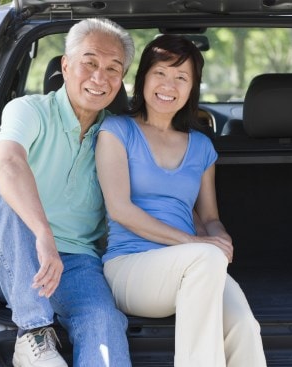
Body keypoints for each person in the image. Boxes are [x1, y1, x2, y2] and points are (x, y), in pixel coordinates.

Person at [95, 34, 267, 367]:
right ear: (143, 77)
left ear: (192, 88)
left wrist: (220, 237)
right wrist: (194, 243)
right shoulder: (116, 131)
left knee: (244, 326)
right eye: (160, 72)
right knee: (205, 258)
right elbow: (120, 210)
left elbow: (209, 217)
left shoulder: (201, 147)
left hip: (195, 265)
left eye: (181, 77)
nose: (168, 84)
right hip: (129, 267)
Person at [0, 18, 135, 367]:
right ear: (65, 65)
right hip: (2, 254)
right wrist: (42, 234)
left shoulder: (117, 134)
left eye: (112, 68)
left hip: (74, 262)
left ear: (122, 79)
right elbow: (9, 165)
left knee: (103, 321)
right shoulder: (28, 110)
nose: (99, 77)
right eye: (89, 63)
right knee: (4, 197)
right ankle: (35, 334)